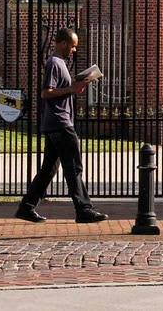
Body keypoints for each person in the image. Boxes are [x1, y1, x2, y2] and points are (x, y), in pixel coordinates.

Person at [15, 27, 108, 224]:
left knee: (49, 168)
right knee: (73, 166)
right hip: (60, 122)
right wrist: (72, 88)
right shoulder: (54, 63)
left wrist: (75, 86)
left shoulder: (60, 63)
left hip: (55, 122)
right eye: (73, 46)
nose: (74, 50)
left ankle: (26, 207)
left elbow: (60, 89)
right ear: (64, 43)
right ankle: (83, 209)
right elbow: (46, 93)